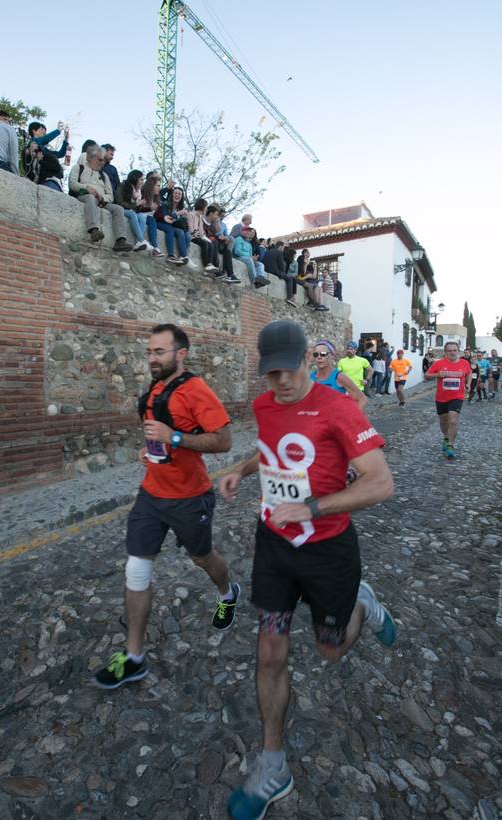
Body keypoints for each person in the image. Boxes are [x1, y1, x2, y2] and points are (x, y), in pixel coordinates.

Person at [219, 320, 395, 820]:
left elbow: (381, 483)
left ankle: (362, 602)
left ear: (307, 360)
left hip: (328, 550)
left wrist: (314, 508)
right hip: (274, 544)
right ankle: (272, 767)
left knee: (330, 649)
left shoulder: (338, 408)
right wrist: (240, 469)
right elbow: (271, 447)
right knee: (270, 648)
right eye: (270, 374)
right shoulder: (263, 405)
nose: (281, 382)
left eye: (288, 370)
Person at [94, 323, 240, 689]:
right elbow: (157, 434)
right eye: (149, 352)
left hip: (190, 497)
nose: (152, 359)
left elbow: (224, 441)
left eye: (159, 352)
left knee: (202, 557)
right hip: (151, 494)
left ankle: (227, 592)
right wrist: (153, 449)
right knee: (136, 569)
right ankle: (134, 658)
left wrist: (174, 437)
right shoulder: (155, 389)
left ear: (181, 354)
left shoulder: (196, 390)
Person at [68, 145, 132, 249]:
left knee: (118, 209)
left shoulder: (104, 176)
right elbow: (72, 184)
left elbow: (110, 196)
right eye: (100, 159)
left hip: (101, 201)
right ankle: (94, 230)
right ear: (91, 158)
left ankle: (120, 240)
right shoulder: (79, 168)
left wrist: (102, 198)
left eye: (104, 160)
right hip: (84, 196)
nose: (103, 162)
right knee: (90, 198)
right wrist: (87, 188)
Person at [425, 341, 472, 459]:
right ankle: (446, 437)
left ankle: (450, 446)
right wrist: (438, 374)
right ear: (445, 352)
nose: (452, 353)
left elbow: (469, 373)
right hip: (441, 397)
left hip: (457, 396)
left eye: (454, 350)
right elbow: (426, 375)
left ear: (458, 351)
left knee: (453, 419)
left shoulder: (464, 363)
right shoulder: (439, 363)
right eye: (450, 351)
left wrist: (468, 384)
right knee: (444, 421)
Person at [310, 340, 367, 410]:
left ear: (332, 355)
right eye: (315, 354)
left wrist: (352, 419)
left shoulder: (339, 377)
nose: (319, 357)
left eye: (323, 354)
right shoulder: (310, 377)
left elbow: (362, 399)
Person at [115, 169, 158, 252]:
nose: (143, 182)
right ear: (135, 179)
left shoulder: (137, 191)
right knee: (132, 214)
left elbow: (136, 208)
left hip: (130, 210)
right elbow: (120, 202)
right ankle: (142, 240)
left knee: (142, 217)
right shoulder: (123, 185)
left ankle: (138, 243)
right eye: (141, 179)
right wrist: (137, 204)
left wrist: (147, 206)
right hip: (120, 209)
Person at [154, 186, 192, 265]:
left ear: (181, 197)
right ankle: (173, 255)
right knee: (174, 230)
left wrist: (185, 219)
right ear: (172, 194)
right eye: (175, 193)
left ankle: (183, 256)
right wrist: (178, 214)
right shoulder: (166, 203)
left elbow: (178, 223)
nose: (177, 195)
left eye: (179, 194)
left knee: (184, 233)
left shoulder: (181, 208)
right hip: (161, 223)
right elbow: (166, 217)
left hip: (172, 226)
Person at [137, 177, 164, 257]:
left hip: (151, 219)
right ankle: (155, 247)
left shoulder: (157, 199)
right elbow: (137, 208)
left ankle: (155, 248)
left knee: (153, 220)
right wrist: (149, 208)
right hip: (141, 216)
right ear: (152, 186)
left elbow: (158, 215)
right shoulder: (142, 193)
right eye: (158, 186)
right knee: (152, 220)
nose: (159, 188)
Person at [265, 242, 296, 306]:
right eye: (283, 247)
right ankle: (289, 298)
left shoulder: (268, 251)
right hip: (275, 271)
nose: (283, 249)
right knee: (290, 279)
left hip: (266, 270)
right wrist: (282, 273)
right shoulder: (279, 253)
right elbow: (281, 265)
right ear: (280, 246)